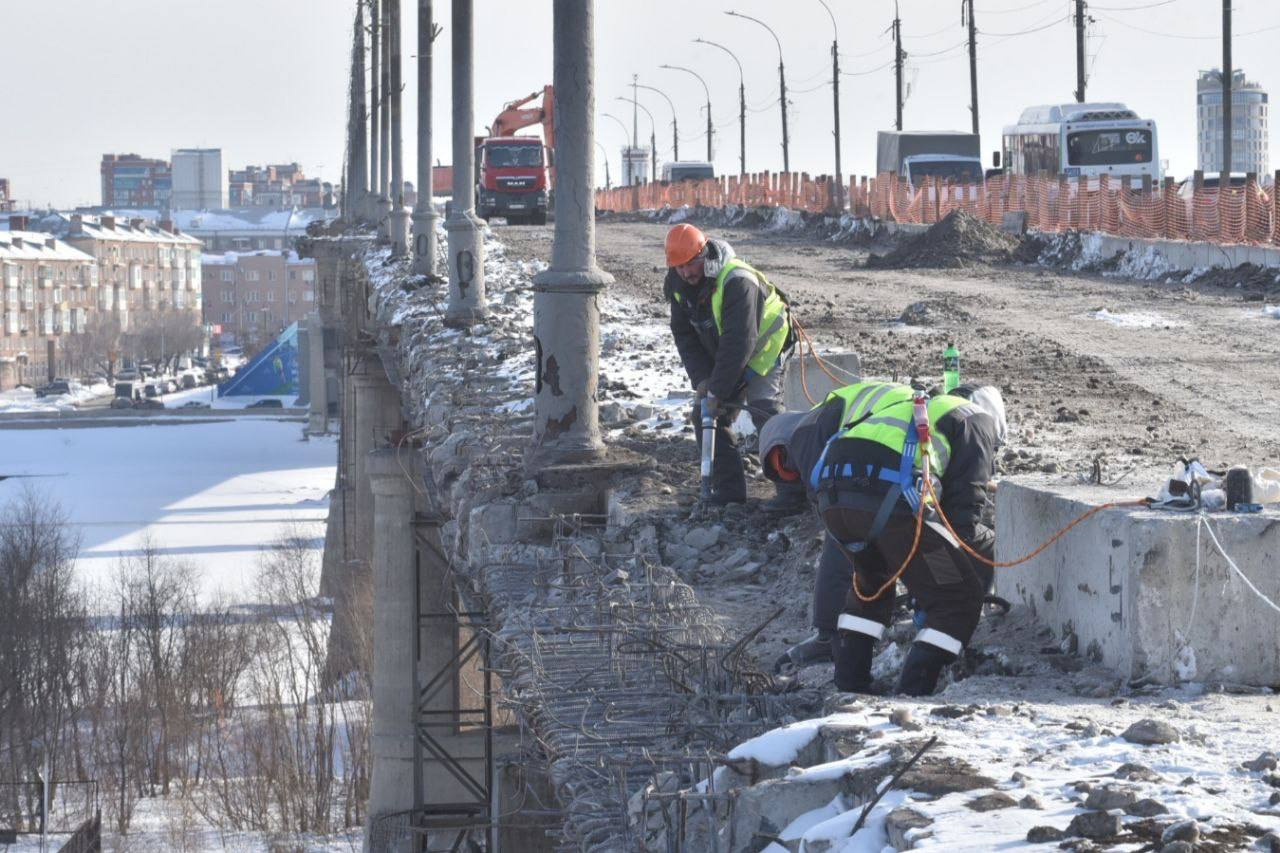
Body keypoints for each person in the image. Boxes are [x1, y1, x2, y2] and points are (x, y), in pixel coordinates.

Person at [759, 380, 1006, 696]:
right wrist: (969, 560)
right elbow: (961, 523)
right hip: (888, 501)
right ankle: (914, 691)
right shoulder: (977, 422)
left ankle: (851, 684)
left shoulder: (919, 408)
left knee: (872, 586)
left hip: (835, 497)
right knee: (957, 599)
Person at [663, 223, 805, 512]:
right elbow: (684, 336)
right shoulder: (678, 286)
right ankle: (729, 492)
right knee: (705, 414)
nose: (687, 273)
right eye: (679, 268)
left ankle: (794, 492)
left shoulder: (737, 281)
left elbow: (739, 342)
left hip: (765, 344)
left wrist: (718, 390)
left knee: (764, 410)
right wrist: (703, 380)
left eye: (692, 264)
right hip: (728, 350)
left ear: (704, 253)